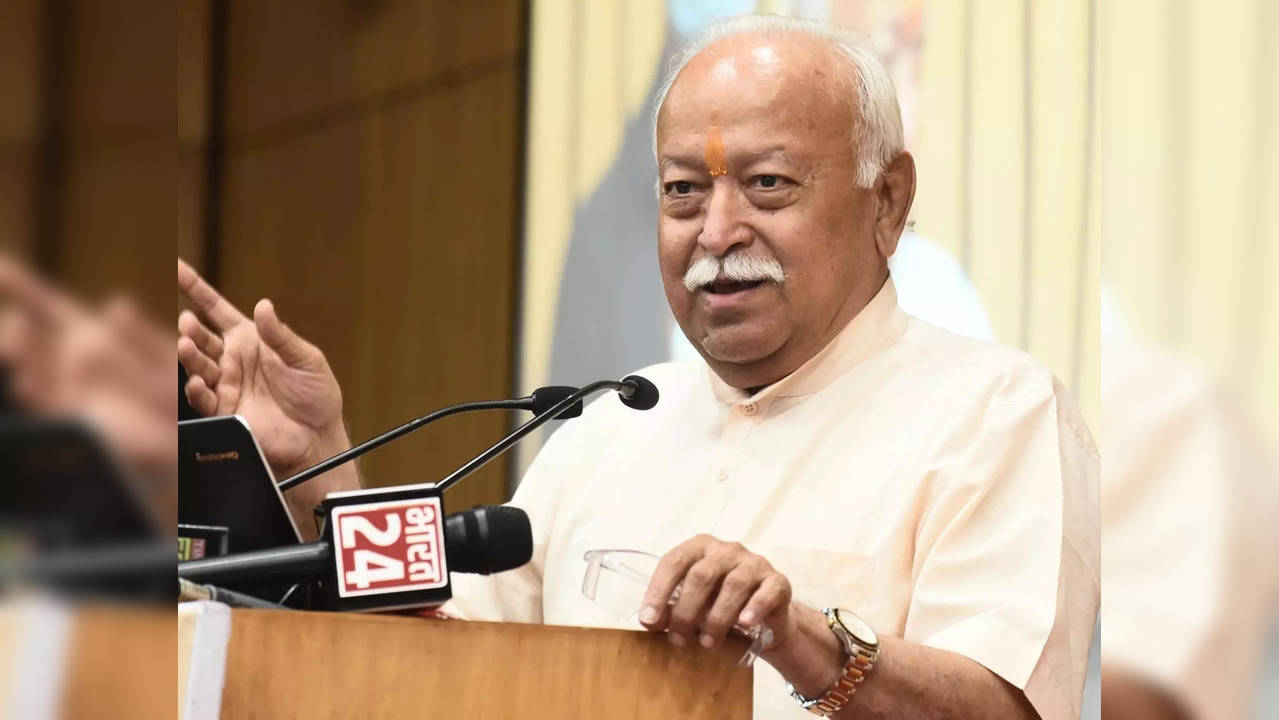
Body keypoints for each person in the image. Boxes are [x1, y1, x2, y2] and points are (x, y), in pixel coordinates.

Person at [178, 15, 1097, 719]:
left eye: (767, 185)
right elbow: (443, 666)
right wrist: (318, 474)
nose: (717, 232)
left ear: (887, 199)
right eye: (682, 193)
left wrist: (799, 637)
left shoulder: (994, 411)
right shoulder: (608, 428)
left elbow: (1007, 706)